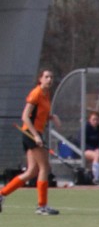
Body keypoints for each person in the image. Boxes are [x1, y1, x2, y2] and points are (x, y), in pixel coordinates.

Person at [0, 69, 62, 215]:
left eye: (51, 77)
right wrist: (36, 136)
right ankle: (42, 206)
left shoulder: (46, 95)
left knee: (32, 171)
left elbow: (39, 115)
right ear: (40, 79)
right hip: (31, 133)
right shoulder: (36, 93)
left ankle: (2, 193)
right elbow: (25, 117)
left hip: (34, 133)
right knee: (44, 167)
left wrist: (51, 117)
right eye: (46, 77)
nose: (49, 79)